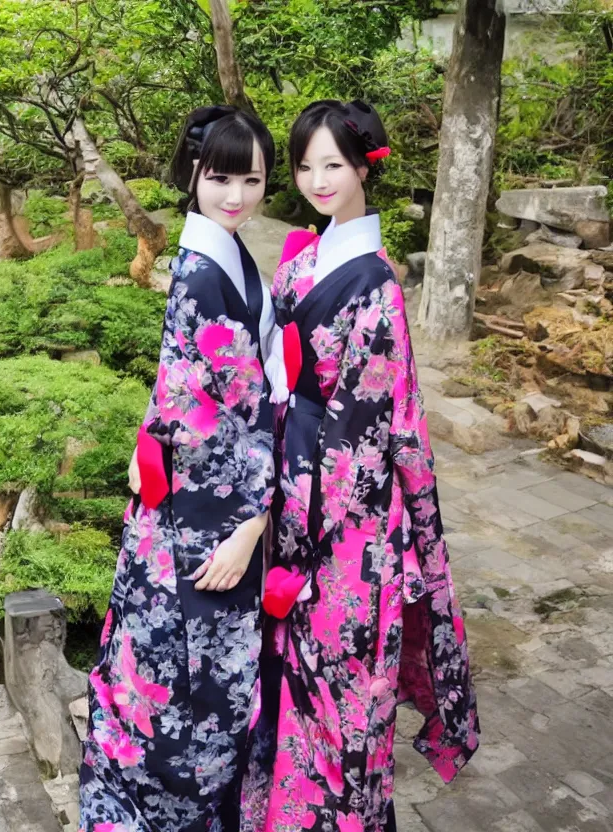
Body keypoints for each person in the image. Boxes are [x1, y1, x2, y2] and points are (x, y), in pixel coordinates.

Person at [241, 99, 479, 832]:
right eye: (306, 165)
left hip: (347, 524)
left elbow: (368, 429)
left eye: (332, 165)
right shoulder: (306, 257)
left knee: (343, 688)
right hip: (291, 488)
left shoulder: (377, 285)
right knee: (286, 678)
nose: (317, 180)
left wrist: (300, 511)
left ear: (364, 164)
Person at [79, 105, 278, 832]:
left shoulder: (219, 252)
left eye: (251, 179)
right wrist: (255, 521)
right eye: (220, 177)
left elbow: (191, 395)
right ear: (193, 173)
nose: (235, 195)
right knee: (190, 704)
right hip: (200, 527)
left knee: (182, 698)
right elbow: (235, 410)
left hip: (200, 508)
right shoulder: (201, 271)